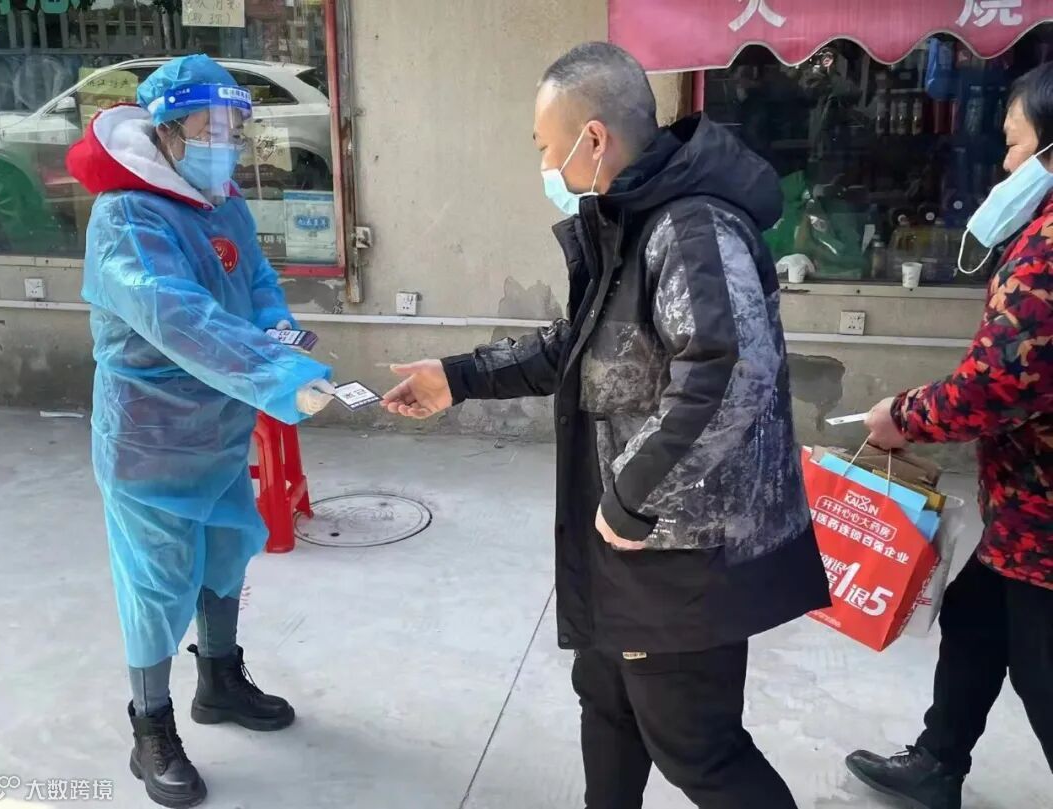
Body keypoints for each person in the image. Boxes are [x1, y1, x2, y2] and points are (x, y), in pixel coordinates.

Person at [382, 42, 830, 809]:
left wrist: (629, 498)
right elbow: (584, 345)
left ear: (593, 139)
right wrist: (456, 378)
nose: (544, 165)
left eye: (545, 146)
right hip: (627, 545)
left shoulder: (692, 229)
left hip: (680, 554)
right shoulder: (633, 219)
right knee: (609, 706)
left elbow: (725, 377)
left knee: (698, 749)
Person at [65, 55, 337, 808]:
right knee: (155, 584)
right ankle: (150, 725)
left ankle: (219, 679)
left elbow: (255, 284)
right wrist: (276, 374)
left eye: (234, 127)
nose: (225, 141)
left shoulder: (222, 204)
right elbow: (176, 316)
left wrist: (278, 332)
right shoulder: (128, 217)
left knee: (225, 552)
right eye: (208, 127)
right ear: (165, 131)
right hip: (149, 439)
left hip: (217, 426)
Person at [846, 63, 1053, 809]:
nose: (1005, 166)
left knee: (1043, 671)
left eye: (1015, 144)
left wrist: (904, 417)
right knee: (974, 618)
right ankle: (938, 763)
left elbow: (1000, 380)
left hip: (1045, 526)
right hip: (1025, 511)